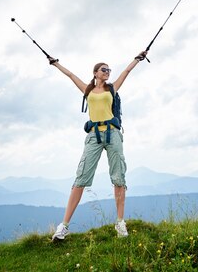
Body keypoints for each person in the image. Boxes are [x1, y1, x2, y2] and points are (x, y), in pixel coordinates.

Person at [48, 50, 147, 241]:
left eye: (109, 70)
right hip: (93, 135)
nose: (107, 72)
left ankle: (120, 223)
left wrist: (137, 59)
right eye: (104, 69)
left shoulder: (112, 89)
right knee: (81, 177)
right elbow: (70, 75)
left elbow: (126, 72)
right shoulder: (87, 90)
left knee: (119, 177)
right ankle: (64, 226)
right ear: (95, 72)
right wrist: (55, 64)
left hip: (113, 133)